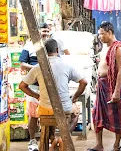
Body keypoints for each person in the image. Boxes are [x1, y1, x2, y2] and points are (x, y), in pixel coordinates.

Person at [19, 38, 87, 146]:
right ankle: (63, 137)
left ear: (44, 51)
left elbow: (22, 86)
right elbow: (84, 82)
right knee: (75, 113)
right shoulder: (67, 65)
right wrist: (74, 97)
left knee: (45, 114)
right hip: (64, 108)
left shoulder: (38, 67)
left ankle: (52, 140)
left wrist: (37, 96)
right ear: (57, 49)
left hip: (45, 108)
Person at [88, 22, 121, 151]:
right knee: (96, 114)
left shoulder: (118, 48)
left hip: (113, 85)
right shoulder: (105, 47)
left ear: (110, 32)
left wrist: (116, 92)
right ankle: (99, 145)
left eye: (102, 34)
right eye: (99, 34)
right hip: (102, 85)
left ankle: (116, 145)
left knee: (117, 116)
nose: (100, 37)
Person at [19, 23, 50, 151]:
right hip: (34, 87)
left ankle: (46, 140)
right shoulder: (29, 46)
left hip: (48, 87)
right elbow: (22, 64)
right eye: (43, 31)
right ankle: (32, 140)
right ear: (37, 31)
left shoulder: (50, 45)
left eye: (47, 31)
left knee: (48, 114)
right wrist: (37, 69)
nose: (45, 33)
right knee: (33, 115)